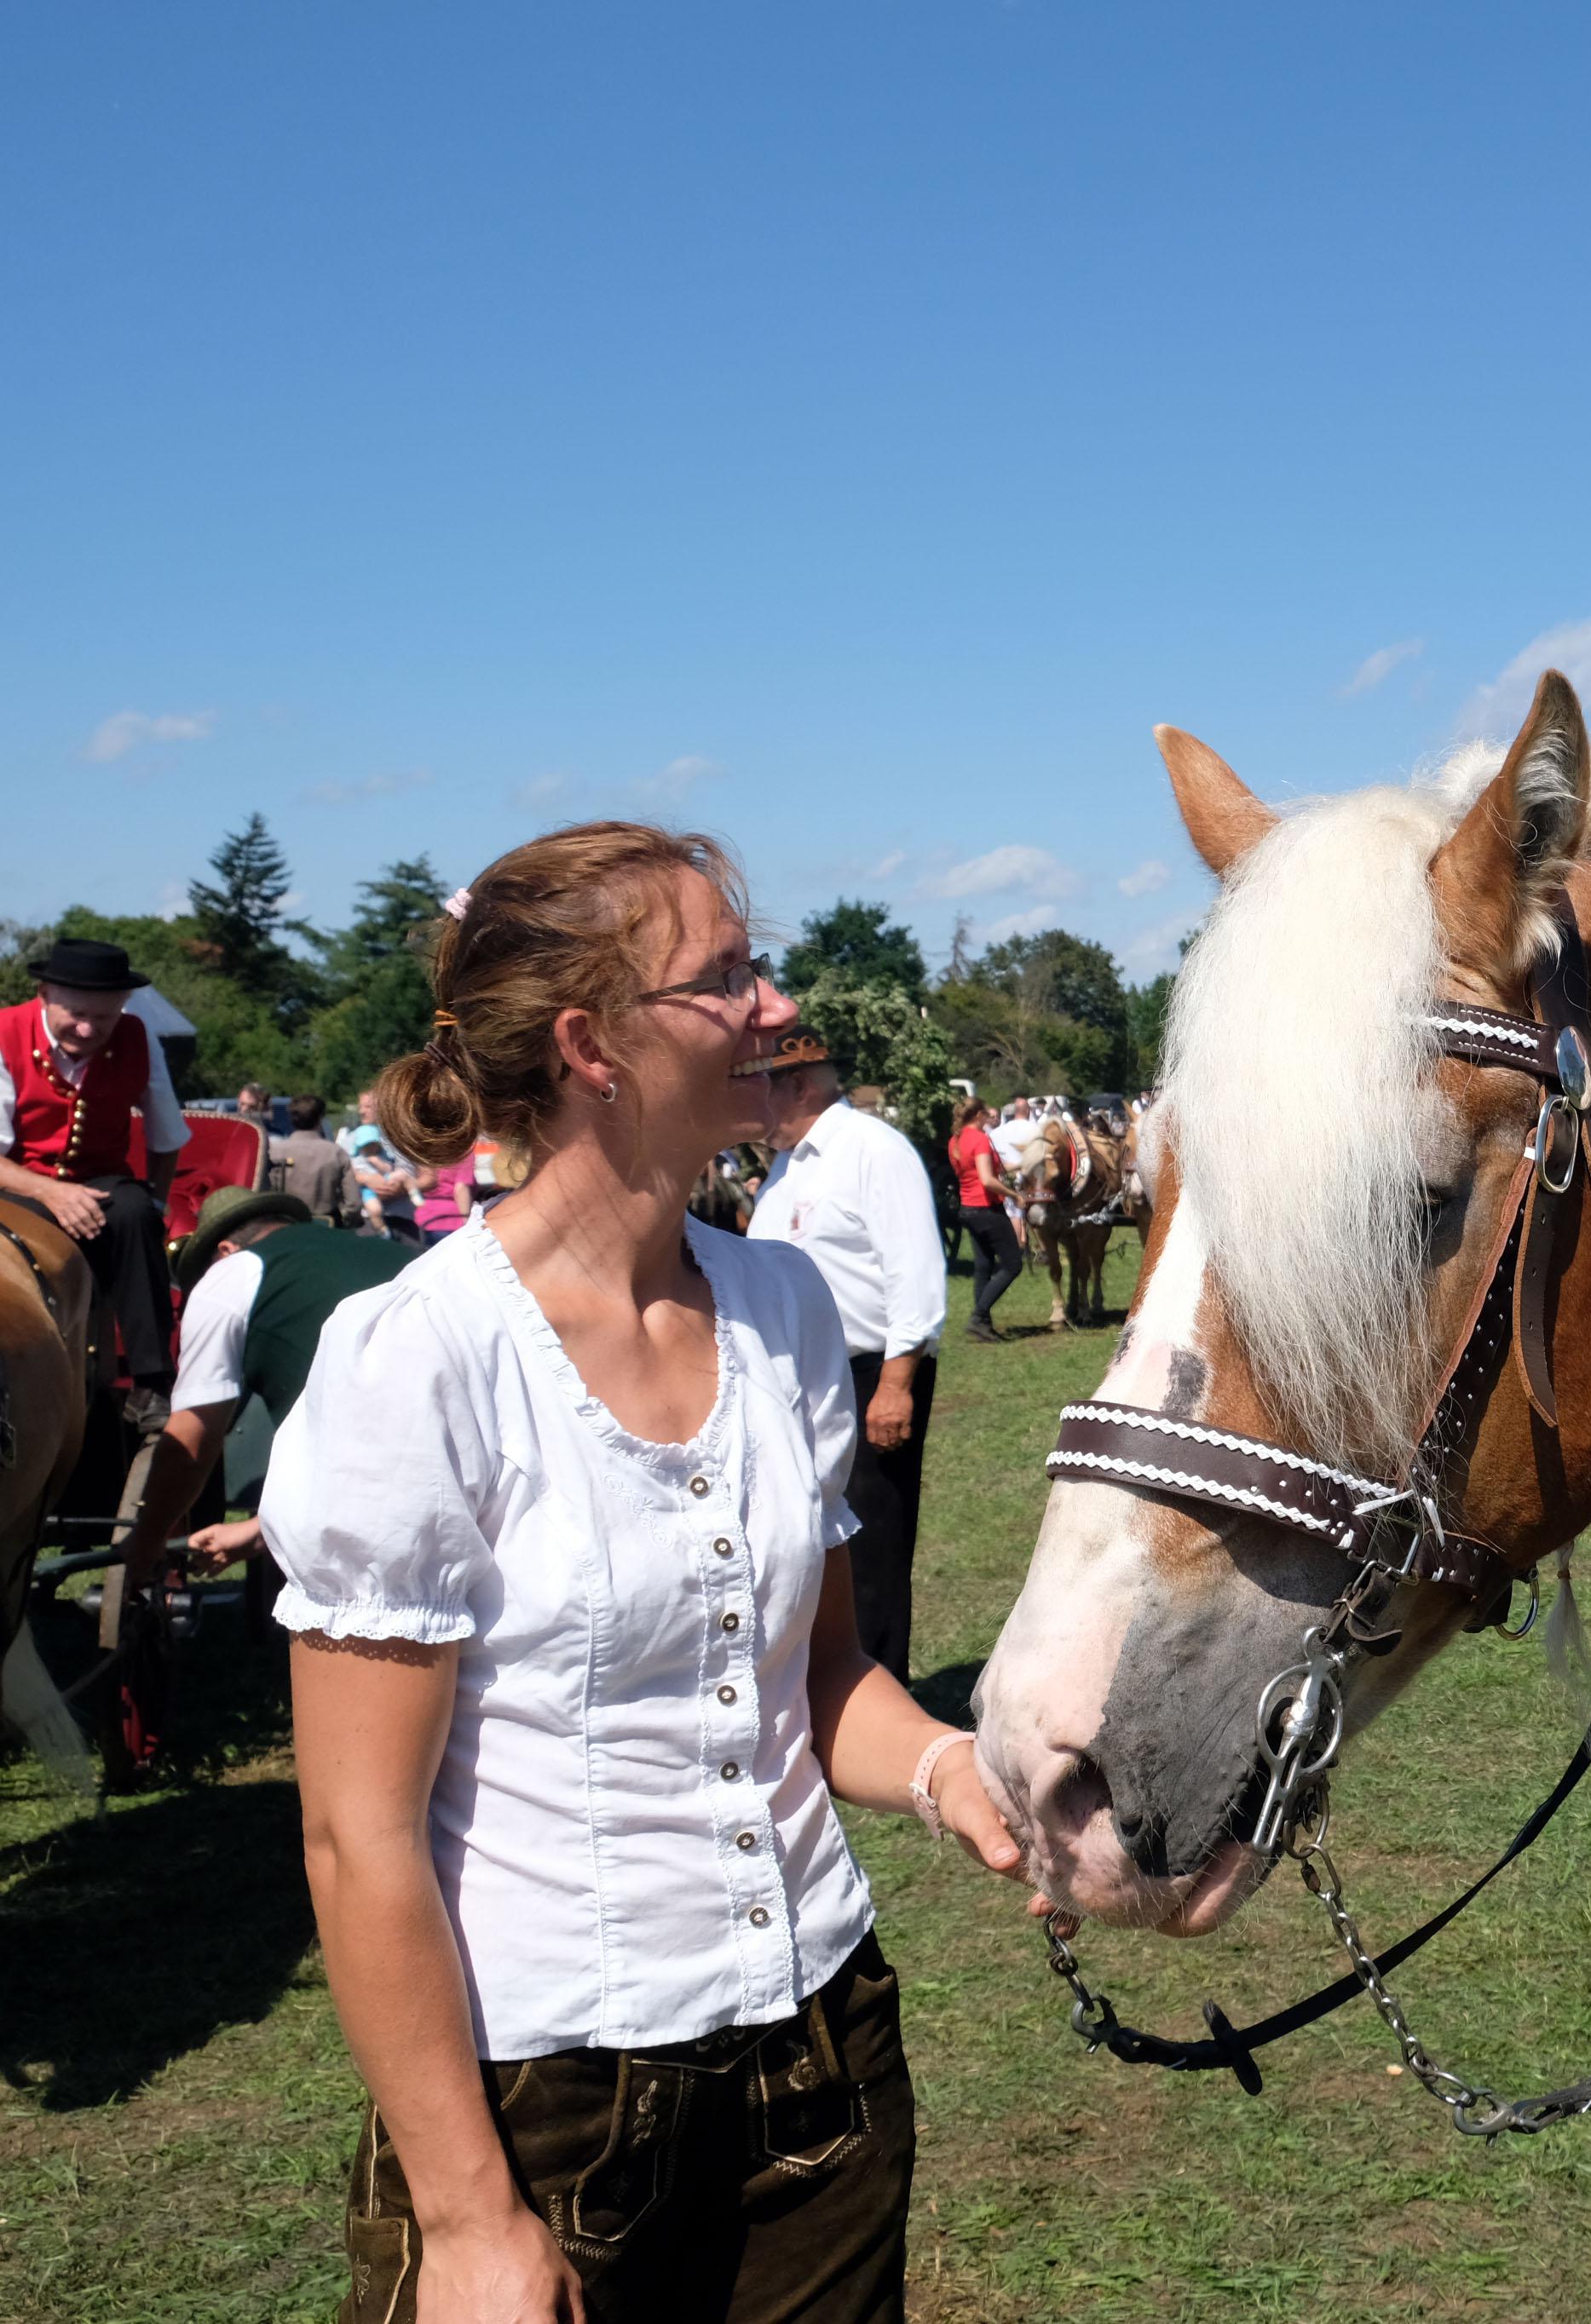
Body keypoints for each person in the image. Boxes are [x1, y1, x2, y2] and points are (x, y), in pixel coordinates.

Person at [262, 820, 1025, 2323]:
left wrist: (949, 1767)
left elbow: (819, 1678)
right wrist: (470, 2213)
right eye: (724, 976)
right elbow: (360, 1835)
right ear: (590, 1043)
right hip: (548, 2101)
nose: (771, 1007)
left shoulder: (784, 1304)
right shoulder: (422, 1355)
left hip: (823, 2054)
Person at [749, 1033, 948, 1683]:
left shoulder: (872, 1151)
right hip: (793, 1378)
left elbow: (913, 1273)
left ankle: (880, 1685)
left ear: (800, 1083)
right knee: (808, 1538)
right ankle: (822, 1680)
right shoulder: (788, 1166)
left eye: (763, 1081)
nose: (753, 1097)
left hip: (866, 1376)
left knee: (873, 1547)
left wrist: (896, 1386)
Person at [115, 1186, 414, 1586]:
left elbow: (192, 1439)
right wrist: (260, 1530)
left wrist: (147, 1540)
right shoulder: (394, 1252)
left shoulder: (233, 1271)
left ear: (223, 1251)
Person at [0, 938, 191, 1410]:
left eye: (103, 1018)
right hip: (17, 1178)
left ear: (123, 1006)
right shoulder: (4, 1032)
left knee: (135, 1215)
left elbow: (166, 1138)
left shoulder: (136, 1035)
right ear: (44, 994)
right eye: (76, 1014)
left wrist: (158, 1204)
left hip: (101, 1178)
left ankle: (151, 1381)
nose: (87, 1029)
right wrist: (52, 1193)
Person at [946, 1096, 1021, 1343]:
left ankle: (983, 1325)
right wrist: (1014, 1195)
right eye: (987, 1115)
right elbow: (987, 1179)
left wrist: (1024, 1162)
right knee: (1012, 1265)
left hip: (968, 1208)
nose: (990, 1118)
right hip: (987, 1209)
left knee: (984, 1266)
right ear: (978, 1115)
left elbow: (984, 1171)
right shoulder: (979, 1139)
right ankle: (978, 1317)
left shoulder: (955, 1140)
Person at [268, 1091, 360, 1228]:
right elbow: (353, 1203)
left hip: (285, 1227)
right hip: (327, 1226)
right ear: (320, 1119)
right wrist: (348, 1224)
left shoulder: (274, 1152)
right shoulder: (336, 1153)